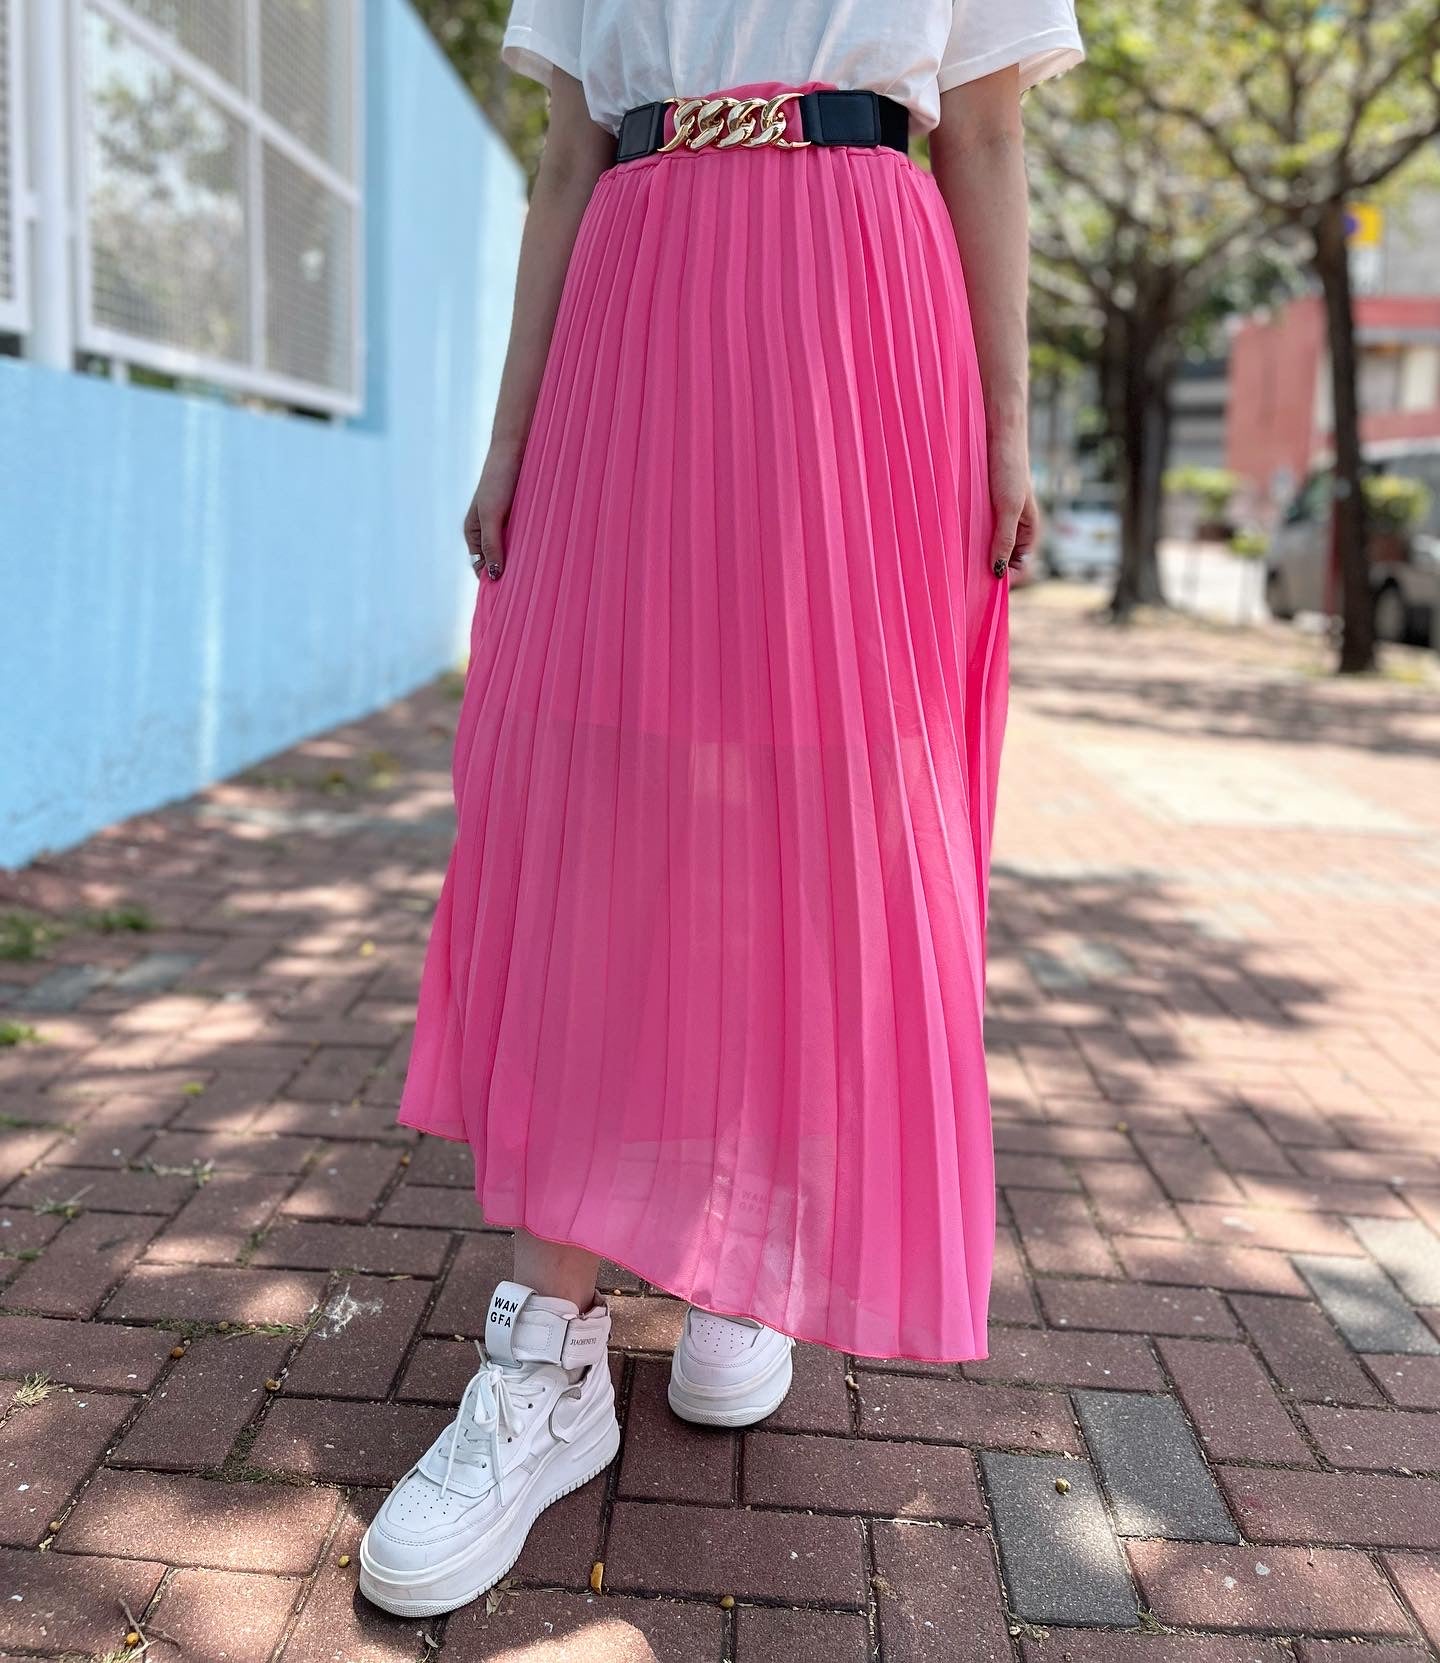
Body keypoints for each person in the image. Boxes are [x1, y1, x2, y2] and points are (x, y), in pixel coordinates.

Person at [359, 0, 1084, 1618]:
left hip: (863, 310)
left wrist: (1011, 425)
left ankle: (749, 1247)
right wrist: (511, 434)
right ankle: (548, 1356)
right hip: (640, 295)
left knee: (822, 801)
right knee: (595, 779)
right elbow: (561, 162)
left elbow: (985, 134)